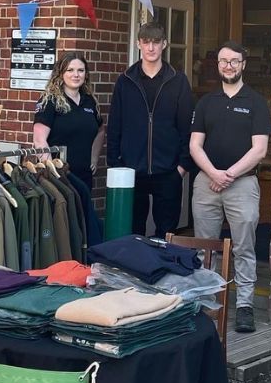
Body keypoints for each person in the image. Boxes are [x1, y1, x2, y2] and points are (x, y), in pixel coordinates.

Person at [189, 41, 271, 333]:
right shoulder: (206, 102)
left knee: (244, 247)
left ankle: (245, 306)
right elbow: (195, 145)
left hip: (243, 184)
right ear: (218, 65)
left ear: (243, 64)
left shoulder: (256, 102)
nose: (228, 66)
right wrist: (213, 172)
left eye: (234, 61)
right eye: (224, 61)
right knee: (205, 247)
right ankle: (206, 302)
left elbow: (259, 149)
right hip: (206, 183)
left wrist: (229, 174)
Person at [106, 19, 194, 237]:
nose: (151, 47)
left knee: (167, 234)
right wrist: (116, 164)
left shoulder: (178, 81)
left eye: (156, 42)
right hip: (131, 170)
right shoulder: (125, 81)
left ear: (164, 44)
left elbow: (186, 127)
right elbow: (115, 125)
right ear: (139, 44)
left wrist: (182, 167)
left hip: (169, 171)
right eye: (147, 42)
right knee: (132, 232)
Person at [33, 53, 105, 190]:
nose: (76, 75)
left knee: (82, 211)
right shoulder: (49, 101)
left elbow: (101, 130)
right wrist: (52, 171)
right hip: (59, 177)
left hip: (83, 176)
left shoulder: (89, 101)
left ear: (86, 74)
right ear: (60, 74)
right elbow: (39, 140)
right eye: (70, 70)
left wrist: (94, 158)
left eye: (80, 70)